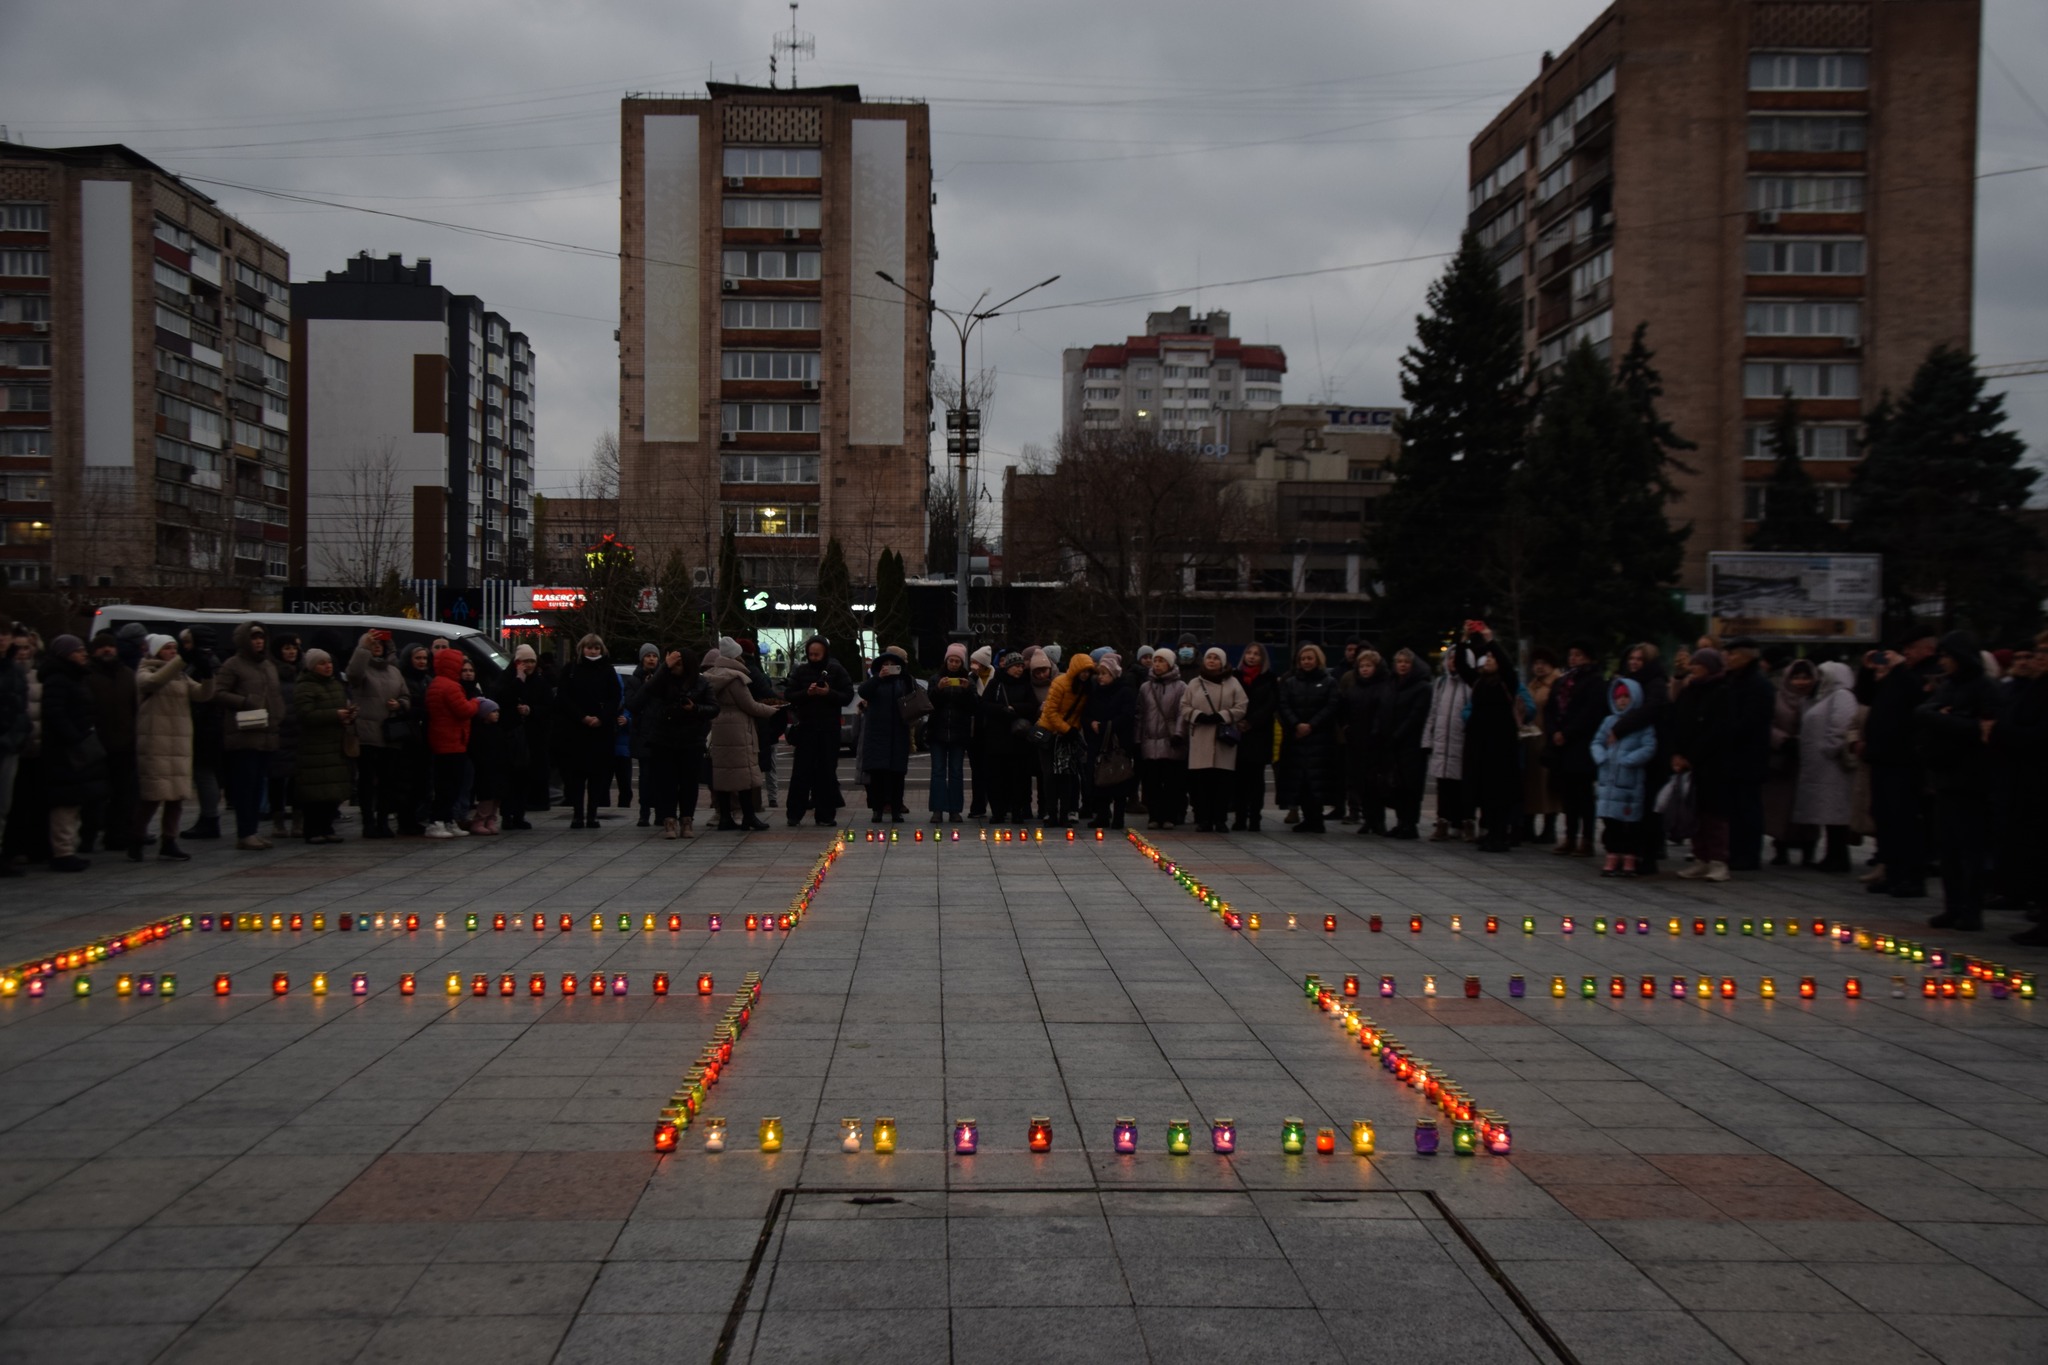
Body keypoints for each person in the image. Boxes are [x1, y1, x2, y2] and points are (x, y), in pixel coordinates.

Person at [1917, 631, 2003, 931]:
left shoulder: (1984, 688)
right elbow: (1924, 712)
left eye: (1947, 656)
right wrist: (1945, 716)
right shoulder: (1949, 687)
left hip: (1972, 779)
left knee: (1970, 849)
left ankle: (1971, 908)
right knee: (1948, 847)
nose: (1943, 662)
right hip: (1945, 776)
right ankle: (1952, 906)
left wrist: (1947, 718)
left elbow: (1982, 730)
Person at [1859, 631, 1938, 898]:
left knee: (1905, 820)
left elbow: (1918, 699)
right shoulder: (1896, 677)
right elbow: (1867, 696)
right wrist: (1867, 669)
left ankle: (1911, 876)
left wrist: (1900, 668)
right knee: (1885, 817)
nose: (1907, 654)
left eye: (1912, 648)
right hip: (1882, 757)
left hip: (1905, 760)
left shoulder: (1925, 674)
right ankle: (1892, 872)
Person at [132, 634, 211, 863]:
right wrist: (182, 661)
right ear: (156, 651)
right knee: (153, 796)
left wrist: (208, 675)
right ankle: (136, 837)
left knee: (176, 796)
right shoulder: (145, 670)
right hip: (156, 742)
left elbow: (203, 695)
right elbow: (153, 682)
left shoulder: (180, 675)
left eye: (175, 649)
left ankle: (169, 840)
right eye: (168, 649)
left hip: (179, 742)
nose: (173, 653)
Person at [214, 623, 284, 851]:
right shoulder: (233, 665)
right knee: (245, 785)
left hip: (266, 732)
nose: (258, 642)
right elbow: (218, 693)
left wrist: (278, 712)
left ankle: (252, 830)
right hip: (244, 733)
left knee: (257, 786)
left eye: (261, 638)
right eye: (254, 638)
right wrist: (244, 702)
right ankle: (245, 832)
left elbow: (275, 694)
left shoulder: (267, 665)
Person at [41, 634, 108, 872]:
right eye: (79, 651)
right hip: (65, 750)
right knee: (65, 803)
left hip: (76, 746)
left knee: (74, 801)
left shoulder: (76, 678)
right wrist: (75, 737)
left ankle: (68, 848)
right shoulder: (59, 679)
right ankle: (62, 851)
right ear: (67, 654)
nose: (84, 654)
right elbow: (55, 713)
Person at [1608, 643, 1673, 876]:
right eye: (1632, 659)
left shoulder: (1655, 684)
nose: (1634, 663)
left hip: (1651, 754)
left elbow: (1651, 710)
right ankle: (1628, 853)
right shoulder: (1629, 681)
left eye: (1640, 659)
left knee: (1649, 807)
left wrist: (1621, 727)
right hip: (1630, 752)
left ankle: (1649, 854)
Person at [1455, 631, 1523, 853]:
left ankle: (1500, 834)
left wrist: (1491, 641)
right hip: (1479, 742)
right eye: (1488, 659)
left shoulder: (1507, 683)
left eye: (1493, 658)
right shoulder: (1478, 682)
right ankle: (1489, 832)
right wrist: (1462, 641)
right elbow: (1461, 666)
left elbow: (1507, 664)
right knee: (1483, 789)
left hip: (1501, 744)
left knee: (1500, 790)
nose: (1490, 661)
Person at [1670, 647, 1734, 881]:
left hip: (1713, 764)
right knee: (1694, 812)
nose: (1692, 668)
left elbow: (1717, 731)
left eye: (1697, 665)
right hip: (1688, 764)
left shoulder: (1722, 692)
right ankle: (1700, 858)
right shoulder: (1690, 691)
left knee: (1714, 815)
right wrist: (1677, 752)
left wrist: (1692, 755)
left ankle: (1719, 861)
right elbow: (1678, 721)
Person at [704, 644, 784, 829]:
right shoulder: (735, 678)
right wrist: (773, 709)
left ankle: (725, 818)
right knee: (745, 775)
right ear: (736, 656)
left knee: (723, 774)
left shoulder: (713, 676)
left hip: (719, 727)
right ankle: (749, 816)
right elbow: (750, 705)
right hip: (738, 729)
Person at [1789, 661, 1857, 872]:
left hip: (1832, 766)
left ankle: (1838, 857)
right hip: (1821, 767)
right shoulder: (1822, 698)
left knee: (1836, 814)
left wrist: (1829, 748)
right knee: (1828, 814)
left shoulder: (1842, 696)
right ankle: (1832, 855)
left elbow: (1841, 724)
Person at [647, 648, 719, 837]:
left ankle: (687, 820)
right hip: (664, 738)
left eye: (679, 664)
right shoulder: (664, 680)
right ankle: (669, 820)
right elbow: (650, 690)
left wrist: (695, 708)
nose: (675, 668)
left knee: (689, 783)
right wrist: (665, 667)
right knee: (666, 782)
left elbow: (713, 708)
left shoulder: (701, 682)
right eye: (673, 664)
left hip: (691, 738)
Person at [782, 637, 853, 827]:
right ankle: (795, 813)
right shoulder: (800, 671)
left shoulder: (836, 670)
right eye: (810, 654)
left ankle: (825, 814)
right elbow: (789, 695)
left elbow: (847, 696)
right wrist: (807, 693)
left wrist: (828, 693)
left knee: (826, 773)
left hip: (829, 729)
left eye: (817, 654)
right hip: (806, 728)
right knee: (800, 772)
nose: (813, 658)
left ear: (825, 653)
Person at [555, 635, 623, 830]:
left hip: (600, 732)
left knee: (597, 776)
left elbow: (615, 697)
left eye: (596, 648)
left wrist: (601, 717)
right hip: (576, 731)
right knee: (575, 776)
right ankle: (577, 814)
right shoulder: (571, 670)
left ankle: (592, 814)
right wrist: (582, 717)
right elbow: (563, 698)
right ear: (581, 649)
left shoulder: (607, 670)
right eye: (589, 648)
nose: (592, 652)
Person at [1591, 677, 1657, 877]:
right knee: (1611, 823)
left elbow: (1649, 747)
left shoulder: (1641, 724)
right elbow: (1597, 742)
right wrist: (1601, 757)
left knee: (1630, 824)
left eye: (1626, 697)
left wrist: (1629, 760)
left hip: (1629, 783)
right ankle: (1612, 855)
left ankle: (1629, 858)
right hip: (1608, 782)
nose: (1622, 701)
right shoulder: (1609, 721)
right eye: (1619, 697)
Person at [1542, 644, 1604, 856]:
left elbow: (1590, 713)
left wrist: (1567, 732)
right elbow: (1550, 709)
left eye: (1579, 655)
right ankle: (1569, 836)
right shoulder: (1563, 681)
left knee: (1583, 793)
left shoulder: (1595, 681)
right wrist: (1554, 731)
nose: (1574, 659)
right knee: (1567, 793)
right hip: (1561, 744)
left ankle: (1586, 839)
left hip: (1580, 744)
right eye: (1571, 654)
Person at [1721, 637, 1776, 872]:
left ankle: (1748, 854)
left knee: (1747, 806)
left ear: (1747, 656)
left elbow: (1750, 723)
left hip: (1749, 756)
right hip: (1731, 756)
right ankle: (1733, 851)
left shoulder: (1758, 684)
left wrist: (1726, 731)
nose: (1728, 658)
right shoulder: (1731, 681)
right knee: (1732, 807)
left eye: (1733, 654)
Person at [81, 631, 137, 855]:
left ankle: (117, 835)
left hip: (124, 744)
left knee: (123, 794)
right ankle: (88, 836)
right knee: (94, 796)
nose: (107, 650)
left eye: (111, 646)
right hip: (97, 745)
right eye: (102, 647)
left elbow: (134, 707)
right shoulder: (88, 675)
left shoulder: (126, 674)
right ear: (94, 651)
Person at [291, 649, 355, 844]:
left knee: (332, 791)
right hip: (315, 746)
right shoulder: (305, 686)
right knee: (315, 792)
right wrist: (334, 715)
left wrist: (348, 715)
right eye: (322, 663)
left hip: (335, 743)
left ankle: (327, 827)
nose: (328, 666)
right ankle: (312, 830)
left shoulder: (335, 684)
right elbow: (305, 714)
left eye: (329, 662)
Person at [1182, 647, 1248, 833]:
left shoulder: (1233, 683)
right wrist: (1197, 715)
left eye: (1216, 658)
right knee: (1202, 784)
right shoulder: (1195, 683)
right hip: (1201, 738)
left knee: (1222, 784)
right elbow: (1184, 706)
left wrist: (1223, 716)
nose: (1212, 661)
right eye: (1209, 657)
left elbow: (1242, 705)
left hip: (1223, 741)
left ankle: (1220, 819)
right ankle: (1204, 820)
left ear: (1223, 662)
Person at [1278, 644, 1340, 834]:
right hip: (1296, 740)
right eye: (1303, 658)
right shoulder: (1291, 682)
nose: (1306, 661)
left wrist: (1312, 725)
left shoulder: (1329, 682)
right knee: (1301, 782)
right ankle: (1307, 818)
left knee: (1317, 782)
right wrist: (1297, 724)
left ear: (1318, 660)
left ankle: (1317, 818)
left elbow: (1332, 706)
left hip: (1320, 740)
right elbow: (1283, 705)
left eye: (1310, 658)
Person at [421, 646, 479, 839]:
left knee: (445, 783)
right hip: (452, 740)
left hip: (442, 739)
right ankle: (439, 820)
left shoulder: (437, 683)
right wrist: (476, 703)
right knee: (450, 784)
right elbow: (464, 710)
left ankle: (445, 820)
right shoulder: (451, 686)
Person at [856, 648, 917, 824]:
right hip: (877, 734)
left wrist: (904, 674)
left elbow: (913, 696)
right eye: (886, 665)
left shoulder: (903, 681)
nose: (889, 668)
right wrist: (878, 678)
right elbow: (863, 691)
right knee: (877, 775)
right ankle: (877, 810)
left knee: (897, 775)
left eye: (893, 665)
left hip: (898, 733)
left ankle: (896, 809)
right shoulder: (875, 682)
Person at [1035, 652, 1096, 826]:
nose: (1085, 675)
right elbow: (1050, 712)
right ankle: (1051, 812)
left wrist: (1072, 731)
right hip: (1050, 733)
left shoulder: (1086, 688)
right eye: (1083, 671)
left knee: (1067, 775)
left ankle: (1065, 813)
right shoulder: (1060, 683)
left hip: (1068, 735)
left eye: (1088, 672)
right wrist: (1067, 729)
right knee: (1050, 775)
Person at [1337, 649, 1392, 835]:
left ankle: (1379, 820)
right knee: (1362, 783)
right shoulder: (1355, 687)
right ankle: (1368, 819)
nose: (1365, 669)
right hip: (1357, 741)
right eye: (1362, 666)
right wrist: (1346, 727)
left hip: (1376, 742)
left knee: (1376, 783)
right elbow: (1344, 709)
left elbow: (1383, 713)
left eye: (1368, 666)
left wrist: (1377, 733)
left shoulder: (1384, 686)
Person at [980, 653, 1038, 824]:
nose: (1019, 669)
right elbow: (984, 705)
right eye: (1016, 666)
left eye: (1021, 666)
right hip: (997, 738)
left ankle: (1017, 810)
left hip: (1018, 740)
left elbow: (1032, 706)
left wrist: (1016, 708)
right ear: (1007, 667)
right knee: (997, 777)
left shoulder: (1026, 685)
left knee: (1018, 777)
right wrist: (1002, 710)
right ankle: (998, 811)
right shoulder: (996, 683)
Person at [1765, 659, 1814, 864]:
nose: (1800, 682)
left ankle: (1808, 850)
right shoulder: (1778, 699)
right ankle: (1781, 848)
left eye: (1805, 677)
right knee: (1780, 808)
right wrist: (1782, 740)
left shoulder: (1816, 700)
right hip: (1783, 762)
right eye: (1796, 677)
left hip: (1809, 762)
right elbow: (1768, 724)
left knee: (1807, 807)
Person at [491, 645, 544, 832]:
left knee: (524, 778)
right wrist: (518, 681)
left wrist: (531, 710)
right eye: (524, 662)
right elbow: (501, 698)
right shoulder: (507, 680)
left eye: (531, 661)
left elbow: (547, 706)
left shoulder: (538, 681)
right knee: (510, 777)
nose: (528, 665)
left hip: (529, 737)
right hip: (510, 735)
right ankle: (507, 815)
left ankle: (520, 814)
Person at [1380, 648, 1432, 839]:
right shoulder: (1392, 684)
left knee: (1411, 786)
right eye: (1399, 662)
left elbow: (1416, 716)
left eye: (1406, 662)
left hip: (1412, 745)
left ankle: (1410, 824)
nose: (1402, 665)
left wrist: (1397, 735)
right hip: (1393, 744)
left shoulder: (1422, 687)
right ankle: (1401, 822)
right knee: (1397, 786)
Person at [1422, 643, 1472, 841]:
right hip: (1443, 742)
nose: (1452, 663)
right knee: (1443, 785)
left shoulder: (1469, 684)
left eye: (1456, 659)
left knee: (1462, 785)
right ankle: (1443, 820)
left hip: (1462, 741)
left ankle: (1463, 822)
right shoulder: (1441, 683)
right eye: (1449, 659)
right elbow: (1433, 713)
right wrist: (1428, 738)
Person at [1081, 654, 1137, 829]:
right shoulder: (1095, 691)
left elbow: (1127, 716)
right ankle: (1102, 815)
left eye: (1105, 673)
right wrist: (1091, 723)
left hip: (1118, 741)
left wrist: (1107, 726)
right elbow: (1086, 712)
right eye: (1100, 673)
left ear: (1114, 674)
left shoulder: (1125, 691)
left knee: (1118, 778)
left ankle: (1119, 816)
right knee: (1099, 778)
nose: (1101, 677)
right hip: (1097, 741)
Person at [1136, 648, 1188, 830]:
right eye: (1155, 660)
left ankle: (1169, 816)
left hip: (1171, 741)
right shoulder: (1145, 687)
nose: (1157, 664)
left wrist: (1179, 734)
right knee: (1151, 782)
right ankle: (1154, 815)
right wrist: (1138, 738)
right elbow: (1140, 715)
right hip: (1150, 741)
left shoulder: (1181, 687)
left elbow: (1183, 713)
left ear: (1170, 664)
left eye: (1161, 661)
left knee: (1171, 782)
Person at [925, 645, 977, 823]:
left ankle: (955, 810)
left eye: (957, 661)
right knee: (938, 772)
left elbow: (973, 707)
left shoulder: (968, 681)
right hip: (937, 732)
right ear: (946, 661)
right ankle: (937, 809)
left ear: (962, 663)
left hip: (958, 733)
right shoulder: (935, 679)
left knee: (956, 772)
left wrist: (967, 691)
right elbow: (929, 704)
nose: (954, 664)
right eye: (951, 660)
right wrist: (938, 689)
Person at [1232, 643, 1278, 831]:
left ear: (1262, 658)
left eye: (1256, 654)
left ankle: (1255, 818)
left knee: (1256, 779)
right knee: (1239, 779)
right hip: (1238, 734)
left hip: (1259, 734)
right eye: (1249, 653)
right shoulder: (1235, 677)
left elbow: (1271, 704)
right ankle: (1239, 817)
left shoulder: (1269, 678)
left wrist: (1251, 721)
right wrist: (1239, 720)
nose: (1251, 657)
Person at [460, 658, 504, 835]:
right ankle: (479, 819)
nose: (468, 673)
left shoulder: (477, 691)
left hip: (494, 763)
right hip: (479, 758)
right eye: (465, 670)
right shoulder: (479, 728)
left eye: (471, 670)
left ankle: (490, 819)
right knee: (483, 792)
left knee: (495, 793)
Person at [1521, 648, 1561, 846]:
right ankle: (1528, 825)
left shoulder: (1557, 684)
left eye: (1543, 663)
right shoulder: (1532, 684)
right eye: (1536, 663)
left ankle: (1549, 827)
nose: (1539, 666)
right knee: (1531, 785)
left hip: (1548, 740)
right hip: (1532, 741)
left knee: (1548, 786)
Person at [266, 634, 302, 840]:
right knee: (277, 780)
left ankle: (298, 820)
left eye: (294, 648)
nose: (291, 652)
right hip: (279, 732)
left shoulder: (302, 672)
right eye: (287, 648)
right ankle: (278, 821)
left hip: (298, 733)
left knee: (297, 781)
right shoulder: (271, 672)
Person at [0, 626, 28, 875]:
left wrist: (17, 736)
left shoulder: (15, 671)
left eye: (3, 635)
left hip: (9, 745)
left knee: (4, 806)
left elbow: (20, 708)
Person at [626, 643, 664, 827]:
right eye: (648, 656)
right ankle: (644, 812)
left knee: (661, 776)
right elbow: (632, 704)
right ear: (642, 658)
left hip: (660, 734)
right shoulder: (634, 680)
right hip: (642, 734)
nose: (651, 659)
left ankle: (660, 812)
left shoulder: (664, 679)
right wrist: (647, 687)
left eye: (654, 656)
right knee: (645, 777)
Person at [967, 645, 995, 819]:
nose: (973, 665)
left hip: (992, 731)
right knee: (976, 771)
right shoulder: (971, 678)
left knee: (992, 770)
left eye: (976, 662)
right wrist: (971, 679)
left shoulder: (994, 677)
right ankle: (978, 806)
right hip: (975, 731)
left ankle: (996, 804)